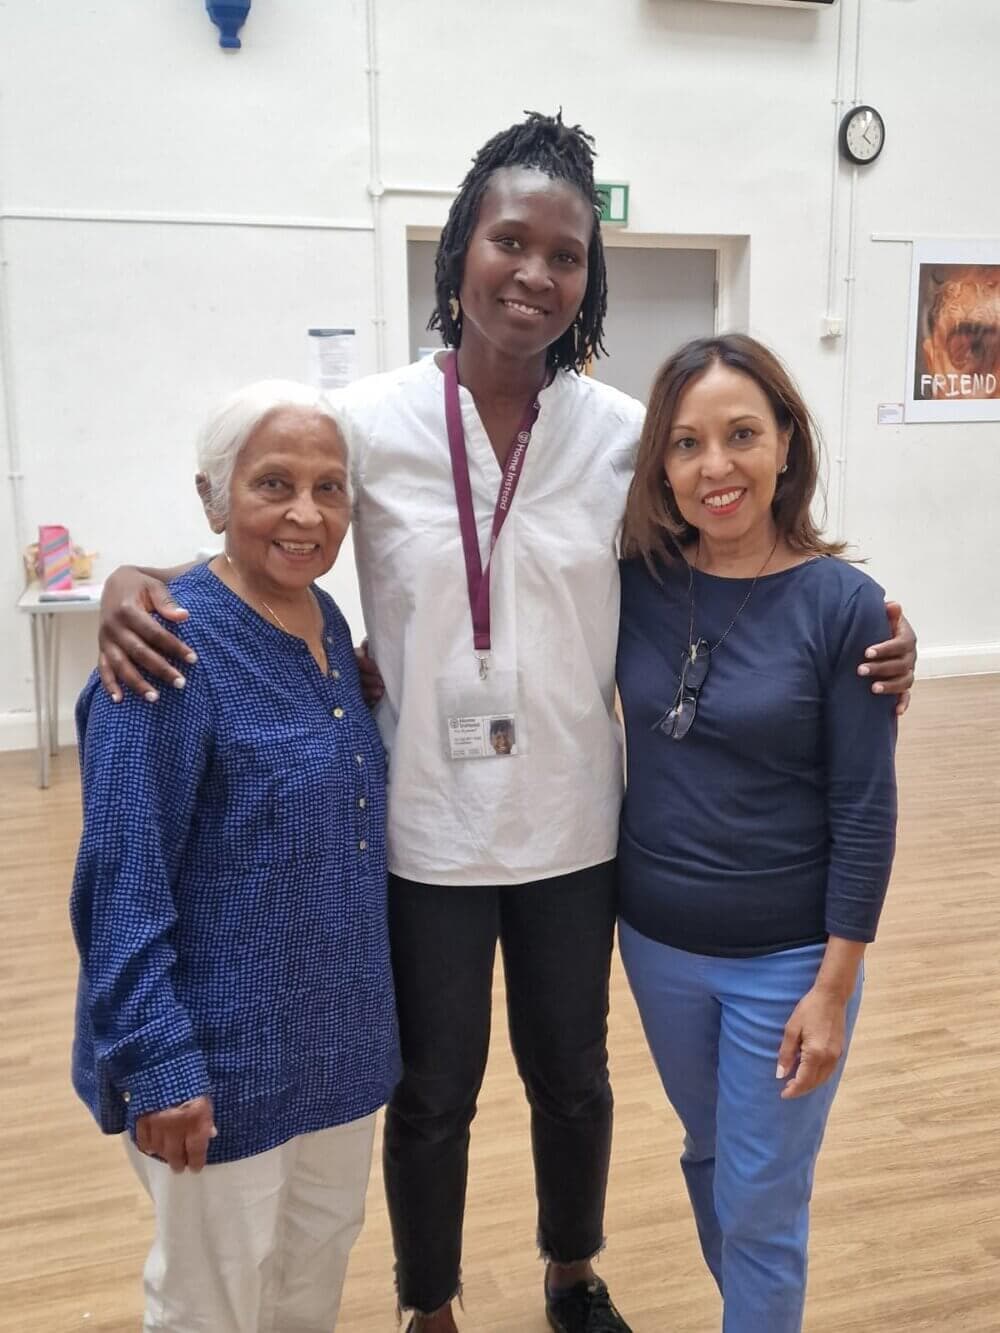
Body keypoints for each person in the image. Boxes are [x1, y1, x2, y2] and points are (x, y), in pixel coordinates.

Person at [92, 114, 916, 1333]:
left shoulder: (625, 436)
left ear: (589, 279)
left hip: (575, 828)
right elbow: (271, 517)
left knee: (573, 1078)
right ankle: (428, 1303)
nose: (534, 273)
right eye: (509, 242)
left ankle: (571, 1271)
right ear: (459, 253)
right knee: (431, 1092)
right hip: (420, 826)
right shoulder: (369, 421)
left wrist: (868, 626)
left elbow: (738, 552)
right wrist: (134, 580)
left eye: (565, 255)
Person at [70, 382, 399, 1333]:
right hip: (219, 1063)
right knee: (210, 1307)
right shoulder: (165, 648)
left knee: (310, 1285)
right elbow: (121, 883)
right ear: (215, 498)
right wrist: (160, 1063)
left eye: (329, 488)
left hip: (338, 1050)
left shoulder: (324, 620)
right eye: (274, 484)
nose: (307, 513)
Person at [616, 335, 898, 1333]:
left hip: (787, 963)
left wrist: (834, 986)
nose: (716, 466)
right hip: (656, 946)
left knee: (763, 1204)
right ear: (662, 466)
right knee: (711, 1156)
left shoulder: (844, 605)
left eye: (741, 434)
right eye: (687, 443)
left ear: (785, 442)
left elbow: (866, 807)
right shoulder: (635, 583)